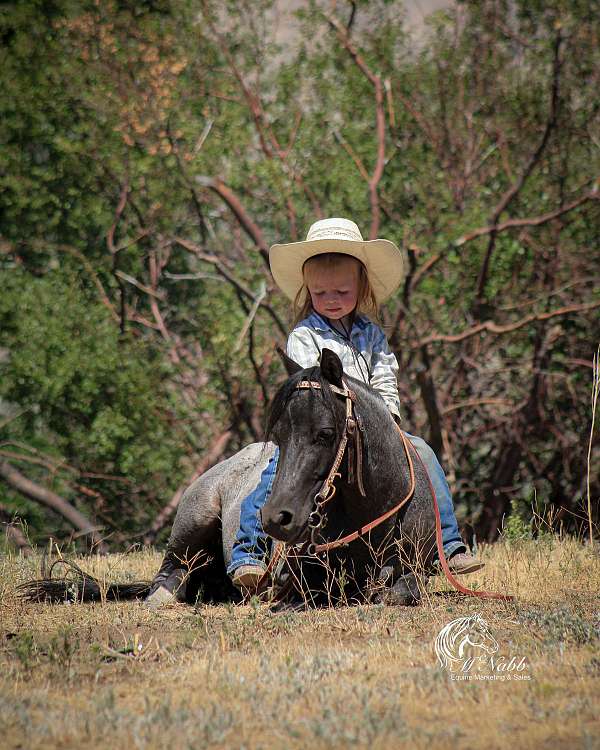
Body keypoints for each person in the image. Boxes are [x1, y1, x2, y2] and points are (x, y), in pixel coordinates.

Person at [227, 217, 484, 591]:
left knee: (423, 453)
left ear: (361, 288)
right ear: (308, 292)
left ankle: (448, 544)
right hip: (320, 428)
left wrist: (389, 416)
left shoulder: (372, 333)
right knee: (277, 471)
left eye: (342, 292)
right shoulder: (304, 335)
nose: (331, 300)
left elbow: (384, 374)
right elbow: (306, 385)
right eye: (321, 293)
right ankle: (250, 550)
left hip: (372, 426)